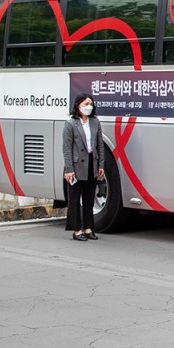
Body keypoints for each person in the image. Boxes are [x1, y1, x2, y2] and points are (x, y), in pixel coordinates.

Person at [63, 93, 105, 241]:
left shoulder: (95, 122)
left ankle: (88, 228)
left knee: (89, 198)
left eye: (90, 104)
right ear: (77, 106)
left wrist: (101, 165)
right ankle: (76, 230)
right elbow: (67, 148)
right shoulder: (70, 124)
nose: (88, 107)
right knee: (75, 199)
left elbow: (100, 145)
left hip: (91, 164)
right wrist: (69, 169)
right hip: (75, 166)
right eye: (85, 104)